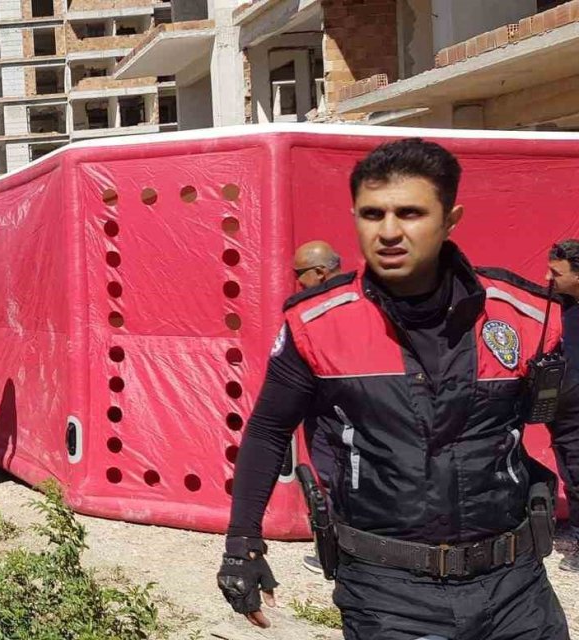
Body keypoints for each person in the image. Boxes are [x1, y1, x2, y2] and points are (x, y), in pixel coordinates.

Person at [217, 138, 579, 639]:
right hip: (387, 593)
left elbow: (571, 426)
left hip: (516, 587)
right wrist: (242, 543)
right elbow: (267, 430)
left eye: (410, 213)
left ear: (450, 219)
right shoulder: (316, 325)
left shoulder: (526, 316)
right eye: (372, 214)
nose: (388, 231)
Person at [292, 241, 344, 575]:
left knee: (333, 478)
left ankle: (337, 553)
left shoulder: (322, 311)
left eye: (300, 274)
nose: (298, 283)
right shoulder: (357, 301)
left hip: (330, 411)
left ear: (320, 272)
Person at [547, 239, 579, 571]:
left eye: (556, 273)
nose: (548, 277)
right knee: (572, 473)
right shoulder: (558, 306)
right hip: (564, 411)